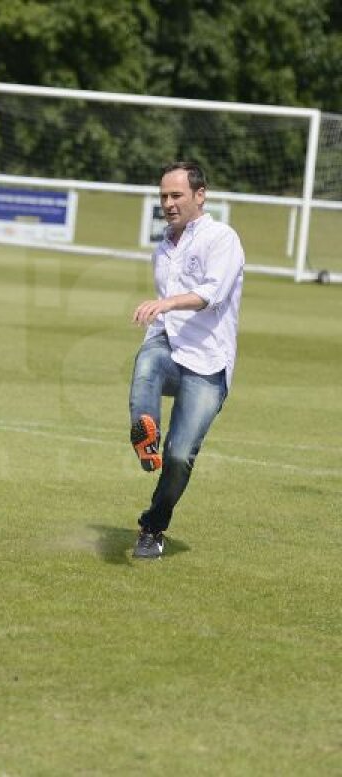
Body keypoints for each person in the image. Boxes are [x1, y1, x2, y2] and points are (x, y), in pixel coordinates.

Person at [127, 161, 244, 559]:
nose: (168, 203)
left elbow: (212, 293)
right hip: (169, 346)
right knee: (146, 363)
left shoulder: (222, 238)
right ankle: (146, 439)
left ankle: (152, 528)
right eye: (163, 196)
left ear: (200, 195)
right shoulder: (162, 248)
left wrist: (167, 303)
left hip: (209, 362)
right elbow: (166, 314)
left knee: (179, 459)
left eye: (176, 195)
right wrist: (161, 317)